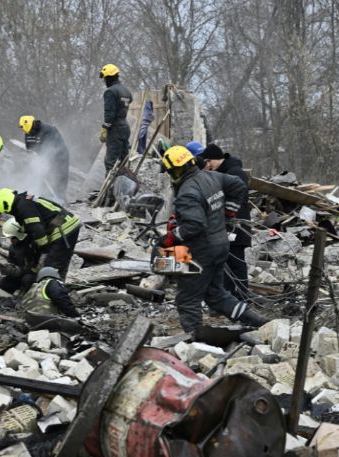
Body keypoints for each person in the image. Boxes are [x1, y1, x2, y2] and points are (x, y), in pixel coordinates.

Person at [158, 145, 268, 333]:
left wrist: (171, 237)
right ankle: (260, 322)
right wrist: (229, 211)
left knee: (187, 299)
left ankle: (195, 341)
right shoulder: (211, 176)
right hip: (220, 245)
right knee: (216, 294)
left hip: (200, 251)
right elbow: (239, 184)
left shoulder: (187, 192)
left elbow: (195, 225)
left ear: (175, 171)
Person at [199, 143, 251, 300]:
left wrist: (228, 214)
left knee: (237, 263)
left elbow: (239, 193)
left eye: (206, 163)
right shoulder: (225, 172)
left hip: (236, 226)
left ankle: (242, 298)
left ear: (211, 160)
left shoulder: (234, 172)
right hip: (226, 227)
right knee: (226, 265)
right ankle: (230, 298)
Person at [0, 188, 80, 280]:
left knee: (52, 267)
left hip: (63, 229)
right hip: (65, 226)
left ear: (6, 204)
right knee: (57, 265)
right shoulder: (24, 201)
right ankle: (57, 287)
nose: (9, 213)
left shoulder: (23, 207)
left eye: (6, 211)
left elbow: (37, 230)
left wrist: (44, 250)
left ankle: (54, 290)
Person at [19, 115, 70, 203]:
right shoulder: (28, 133)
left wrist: (43, 165)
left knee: (59, 177)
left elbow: (50, 151)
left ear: (34, 125)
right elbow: (30, 150)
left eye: (31, 130)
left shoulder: (49, 130)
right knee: (40, 178)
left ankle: (60, 200)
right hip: (43, 158)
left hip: (60, 157)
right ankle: (44, 199)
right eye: (28, 132)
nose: (30, 133)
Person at [99, 64, 133, 174]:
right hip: (125, 127)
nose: (104, 81)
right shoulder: (126, 91)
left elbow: (109, 113)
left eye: (105, 78)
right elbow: (129, 101)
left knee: (110, 162)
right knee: (124, 160)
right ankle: (125, 187)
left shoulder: (110, 92)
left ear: (109, 77)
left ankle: (110, 189)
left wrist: (105, 128)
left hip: (115, 129)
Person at [0, 218, 39, 295]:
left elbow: (37, 266)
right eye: (10, 237)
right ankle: (16, 296)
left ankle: (27, 296)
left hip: (33, 276)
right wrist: (9, 269)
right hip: (20, 275)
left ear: (19, 235)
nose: (11, 240)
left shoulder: (32, 245)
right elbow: (11, 261)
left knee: (26, 280)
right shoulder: (12, 247)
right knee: (2, 283)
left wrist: (21, 271)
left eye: (13, 237)